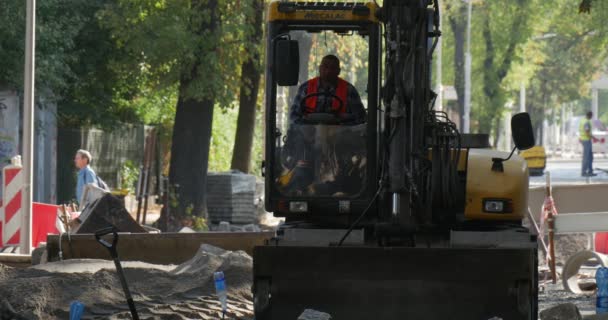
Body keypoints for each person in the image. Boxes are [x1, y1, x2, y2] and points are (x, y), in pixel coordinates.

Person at [289, 54, 366, 125]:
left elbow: (361, 117)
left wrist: (341, 123)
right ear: (320, 68)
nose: (328, 71)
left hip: (340, 137)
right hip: (308, 137)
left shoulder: (349, 90)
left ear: (338, 71)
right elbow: (294, 115)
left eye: (332, 68)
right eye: (325, 67)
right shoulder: (306, 88)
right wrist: (306, 127)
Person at [579, 111, 597, 177]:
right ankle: (583, 172)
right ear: (590, 115)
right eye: (591, 116)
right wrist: (593, 138)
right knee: (586, 157)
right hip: (586, 140)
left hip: (584, 139)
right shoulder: (586, 122)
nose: (591, 117)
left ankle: (590, 171)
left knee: (590, 157)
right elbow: (587, 132)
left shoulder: (583, 120)